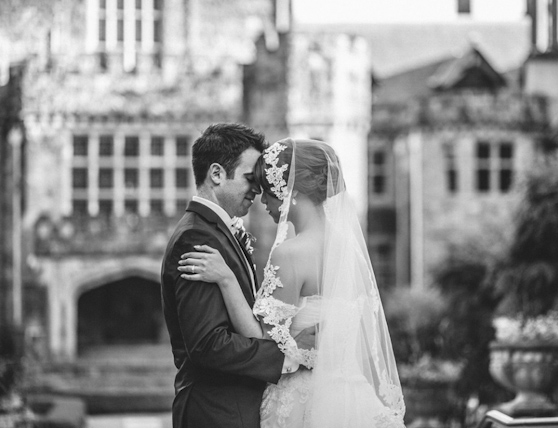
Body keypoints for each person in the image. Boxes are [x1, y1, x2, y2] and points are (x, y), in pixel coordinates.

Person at [178, 138, 406, 427]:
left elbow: (260, 336)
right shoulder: (349, 249)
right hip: (350, 394)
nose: (262, 202)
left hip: (302, 400)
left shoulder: (290, 254)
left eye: (269, 193)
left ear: (291, 193)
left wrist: (226, 279)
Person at [161, 124, 315, 428]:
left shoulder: (216, 232)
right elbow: (208, 344)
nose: (258, 189)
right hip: (217, 412)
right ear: (217, 174)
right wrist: (288, 356)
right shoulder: (196, 238)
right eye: (249, 178)